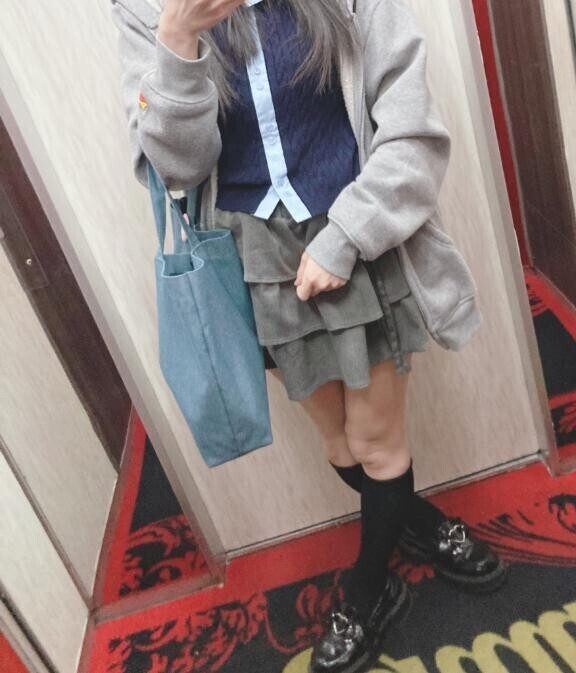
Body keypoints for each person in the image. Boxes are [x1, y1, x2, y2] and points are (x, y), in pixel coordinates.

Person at [110, 0, 508, 670]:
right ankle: (424, 525)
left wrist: (347, 237)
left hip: (357, 231)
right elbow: (175, 168)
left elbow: (412, 130)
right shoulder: (146, 8)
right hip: (253, 260)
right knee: (339, 441)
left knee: (377, 443)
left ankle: (367, 595)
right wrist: (177, 39)